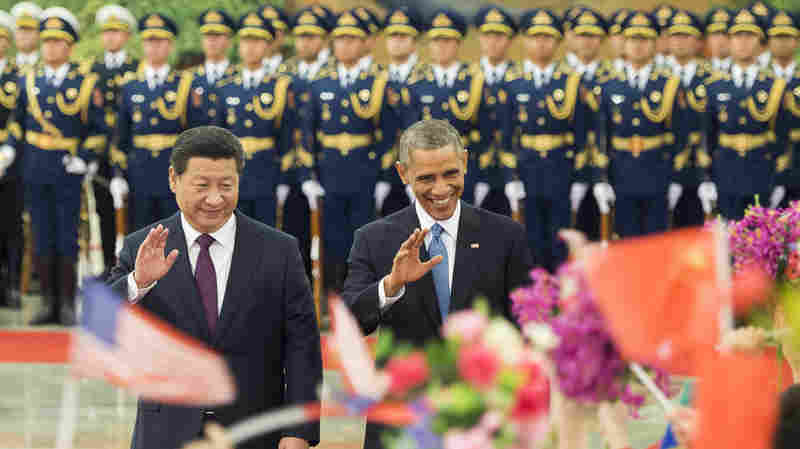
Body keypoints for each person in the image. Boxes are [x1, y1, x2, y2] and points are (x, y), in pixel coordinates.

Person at [108, 126, 322, 449]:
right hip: (165, 432)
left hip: (255, 431)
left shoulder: (279, 251)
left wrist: (299, 432)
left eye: (226, 185)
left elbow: (303, 348)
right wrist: (138, 283)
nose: (214, 199)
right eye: (201, 185)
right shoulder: (143, 246)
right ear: (173, 179)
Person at [343, 119, 533, 449]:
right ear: (403, 174)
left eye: (450, 174)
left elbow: (527, 325)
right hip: (403, 419)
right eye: (426, 178)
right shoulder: (374, 239)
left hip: (484, 417)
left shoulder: (506, 236)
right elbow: (351, 322)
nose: (441, 189)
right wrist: (391, 285)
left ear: (465, 162)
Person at [6, 6, 107, 324]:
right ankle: (46, 301)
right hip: (35, 167)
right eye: (46, 40)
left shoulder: (85, 83)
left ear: (69, 46)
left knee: (66, 234)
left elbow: (100, 130)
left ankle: (65, 302)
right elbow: (17, 124)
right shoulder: (29, 79)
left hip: (67, 169)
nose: (50, 47)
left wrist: (86, 159)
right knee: (40, 233)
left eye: (57, 41)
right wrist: (8, 149)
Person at [297, 9, 397, 293]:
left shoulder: (376, 82)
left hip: (363, 172)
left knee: (363, 239)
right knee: (331, 242)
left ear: (364, 43)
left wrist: (384, 178)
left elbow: (388, 135)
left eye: (352, 39)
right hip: (329, 173)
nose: (345, 45)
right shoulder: (320, 83)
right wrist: (308, 176)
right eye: (340, 39)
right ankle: (333, 301)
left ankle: (362, 299)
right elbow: (307, 134)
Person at [497, 8, 590, 271]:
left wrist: (580, 178)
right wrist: (510, 178)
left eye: (548, 37)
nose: (541, 43)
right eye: (535, 37)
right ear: (525, 40)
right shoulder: (512, 82)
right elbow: (505, 136)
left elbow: (582, 135)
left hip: (561, 168)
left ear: (557, 42)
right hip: (526, 168)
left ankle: (561, 300)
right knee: (530, 238)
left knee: (560, 237)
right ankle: (534, 301)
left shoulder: (571, 81)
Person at [591, 10, 687, 238]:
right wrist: (600, 178)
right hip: (621, 171)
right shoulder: (608, 85)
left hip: (657, 171)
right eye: (632, 39)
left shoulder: (669, 84)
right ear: (623, 43)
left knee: (656, 240)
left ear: (654, 44)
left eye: (644, 39)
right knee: (626, 240)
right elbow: (600, 135)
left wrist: (676, 178)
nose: (638, 45)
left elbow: (680, 134)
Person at [109, 13, 203, 232]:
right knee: (140, 236)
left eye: (160, 41)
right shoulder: (131, 86)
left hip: (173, 174)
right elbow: (121, 137)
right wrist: (117, 175)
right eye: (149, 41)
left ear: (170, 45)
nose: (154, 47)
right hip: (138, 173)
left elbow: (195, 136)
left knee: (175, 238)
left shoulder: (185, 84)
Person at [700, 7, 791, 220]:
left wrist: (780, 180)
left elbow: (783, 137)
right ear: (729, 41)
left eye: (749, 36)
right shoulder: (714, 86)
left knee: (762, 244)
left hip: (762, 172)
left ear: (760, 43)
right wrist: (706, 177)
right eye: (737, 36)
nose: (743, 42)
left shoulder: (775, 86)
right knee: (728, 243)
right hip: (726, 172)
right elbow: (708, 135)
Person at [399, 8, 491, 206]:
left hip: (464, 165)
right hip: (425, 167)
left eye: (447, 41)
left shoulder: (475, 80)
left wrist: (484, 176)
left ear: (458, 43)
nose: (441, 47)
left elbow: (486, 132)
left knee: (465, 228)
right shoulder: (416, 82)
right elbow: (408, 132)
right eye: (436, 41)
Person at [212, 11, 293, 227]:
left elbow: (286, 138)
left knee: (265, 236)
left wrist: (284, 179)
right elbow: (216, 139)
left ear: (267, 46)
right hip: (233, 174)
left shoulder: (280, 86)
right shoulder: (225, 88)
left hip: (267, 171)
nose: (250, 47)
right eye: (246, 41)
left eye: (257, 41)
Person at [90, 4, 139, 271]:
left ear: (127, 36)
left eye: (116, 32)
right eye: (106, 32)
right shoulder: (91, 70)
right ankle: (110, 265)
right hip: (101, 150)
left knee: (133, 209)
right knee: (104, 209)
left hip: (129, 149)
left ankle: (132, 264)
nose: (110, 37)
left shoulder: (137, 69)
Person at [565, 7, 613, 241]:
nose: (586, 42)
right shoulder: (560, 76)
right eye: (581, 35)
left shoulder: (612, 76)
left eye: (592, 36)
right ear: (569, 37)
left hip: (607, 170)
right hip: (566, 167)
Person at [666, 10, 712, 228]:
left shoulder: (711, 78)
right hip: (666, 167)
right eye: (676, 36)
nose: (681, 42)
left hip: (702, 168)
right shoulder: (659, 77)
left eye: (687, 36)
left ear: (697, 41)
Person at [473, 4, 516, 218]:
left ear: (509, 40)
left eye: (499, 35)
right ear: (480, 38)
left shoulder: (520, 77)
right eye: (487, 35)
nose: (493, 41)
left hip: (515, 171)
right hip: (475, 168)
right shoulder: (468, 77)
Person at [766, 10, 800, 208]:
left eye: (787, 37)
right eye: (777, 37)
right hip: (768, 163)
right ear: (769, 42)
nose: (782, 43)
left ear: (796, 41)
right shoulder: (760, 80)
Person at [0, 10, 21, 308]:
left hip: (10, 158)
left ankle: (12, 284)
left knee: (10, 224)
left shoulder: (18, 76)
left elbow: (21, 117)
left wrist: (7, 149)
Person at [189, 9, 236, 127]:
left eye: (218, 35)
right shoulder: (189, 78)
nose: (212, 41)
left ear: (229, 40)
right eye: (207, 35)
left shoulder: (238, 76)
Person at [259, 5, 290, 76]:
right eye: (265, 30)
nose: (270, 36)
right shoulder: (240, 72)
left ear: (284, 35)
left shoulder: (294, 72)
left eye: (275, 30)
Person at [10, 2, 41, 70]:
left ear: (38, 33)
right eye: (21, 29)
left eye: (30, 29)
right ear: (14, 34)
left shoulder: (49, 66)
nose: (25, 34)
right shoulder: (5, 67)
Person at [706, 7, 733, 73]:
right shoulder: (700, 71)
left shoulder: (743, 72)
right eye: (715, 34)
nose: (721, 39)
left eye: (725, 34)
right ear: (708, 38)